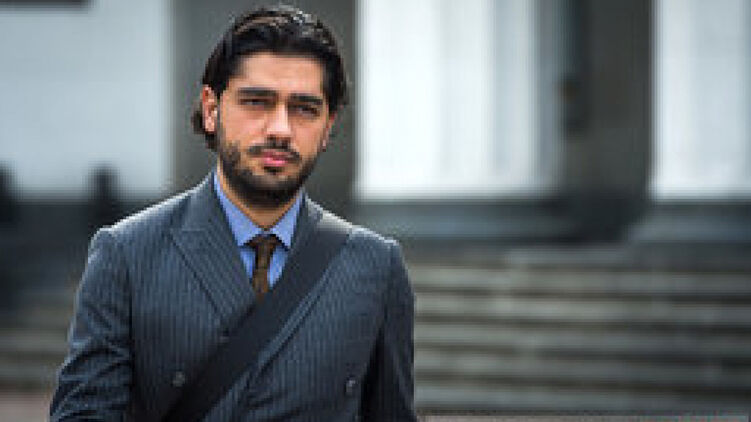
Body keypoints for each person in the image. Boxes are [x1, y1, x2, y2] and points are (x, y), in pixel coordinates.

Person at [50, 5, 416, 421]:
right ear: (211, 109)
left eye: (304, 108)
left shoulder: (375, 266)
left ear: (328, 126)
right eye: (256, 102)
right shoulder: (128, 255)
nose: (280, 129)